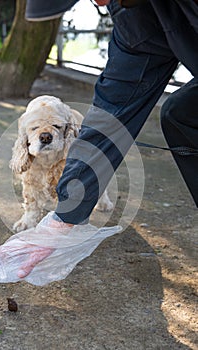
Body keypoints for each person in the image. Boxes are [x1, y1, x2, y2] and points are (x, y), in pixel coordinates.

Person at [17, 0, 198, 278]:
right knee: (181, 114)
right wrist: (63, 218)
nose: (98, 2)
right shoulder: (134, 14)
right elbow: (113, 111)